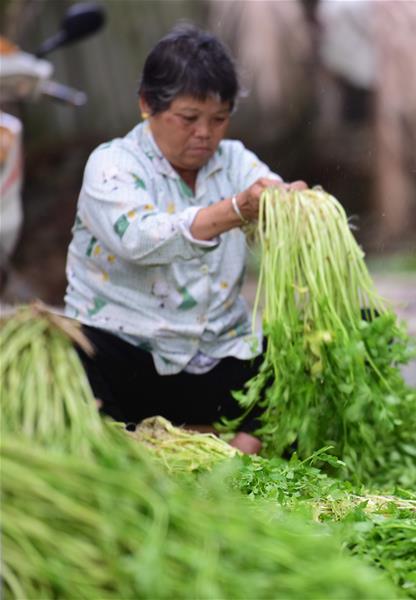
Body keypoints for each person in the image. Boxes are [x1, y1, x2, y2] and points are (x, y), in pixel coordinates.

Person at [64, 26, 307, 454]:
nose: (205, 134)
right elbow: (141, 237)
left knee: (321, 338)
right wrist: (233, 211)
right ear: (146, 105)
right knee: (70, 353)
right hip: (131, 357)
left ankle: (245, 456)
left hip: (215, 358)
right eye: (189, 118)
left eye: (219, 119)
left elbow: (266, 192)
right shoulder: (113, 165)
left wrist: (292, 208)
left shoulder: (235, 161)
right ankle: (128, 445)